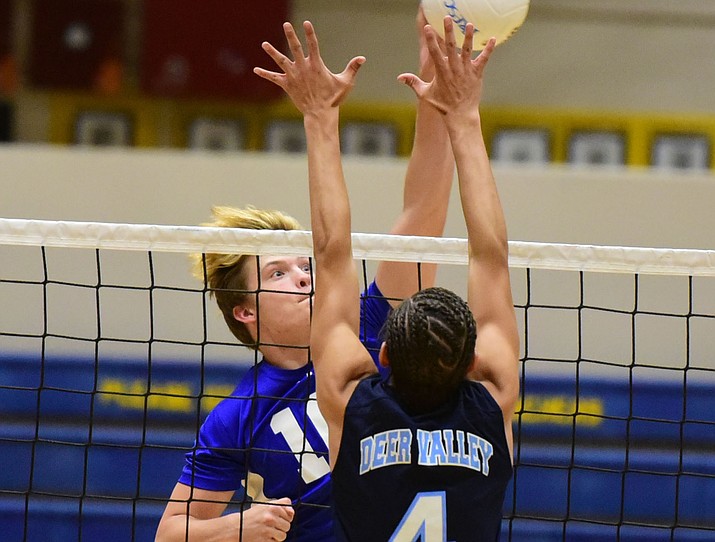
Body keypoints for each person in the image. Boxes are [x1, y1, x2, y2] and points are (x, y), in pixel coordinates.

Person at [155, 9, 457, 542]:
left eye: (303, 262)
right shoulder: (238, 416)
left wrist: (435, 83)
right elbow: (171, 534)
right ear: (245, 312)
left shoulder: (370, 322)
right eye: (277, 271)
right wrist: (237, 525)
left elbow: (423, 214)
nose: (302, 276)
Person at [260, 16, 520, 541]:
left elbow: (331, 253)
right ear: (471, 363)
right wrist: (465, 117)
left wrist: (319, 118)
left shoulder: (350, 401)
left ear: (380, 355)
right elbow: (490, 255)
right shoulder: (492, 400)